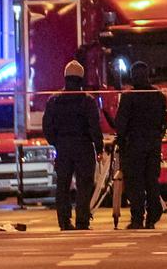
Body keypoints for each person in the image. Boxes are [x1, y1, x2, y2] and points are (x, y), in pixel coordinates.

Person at [43, 60, 104, 231]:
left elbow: (47, 127)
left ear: (65, 77)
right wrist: (98, 147)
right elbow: (94, 127)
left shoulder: (54, 100)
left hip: (63, 147)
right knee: (84, 185)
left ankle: (64, 221)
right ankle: (82, 221)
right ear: (81, 79)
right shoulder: (87, 101)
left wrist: (56, 143)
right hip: (84, 146)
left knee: (62, 185)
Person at [115, 61, 167, 229]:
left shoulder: (128, 97)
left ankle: (137, 218)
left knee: (135, 183)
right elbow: (163, 121)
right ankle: (152, 216)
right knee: (151, 181)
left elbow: (121, 124)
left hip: (134, 145)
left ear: (132, 76)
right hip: (152, 144)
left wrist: (121, 143)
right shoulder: (158, 96)